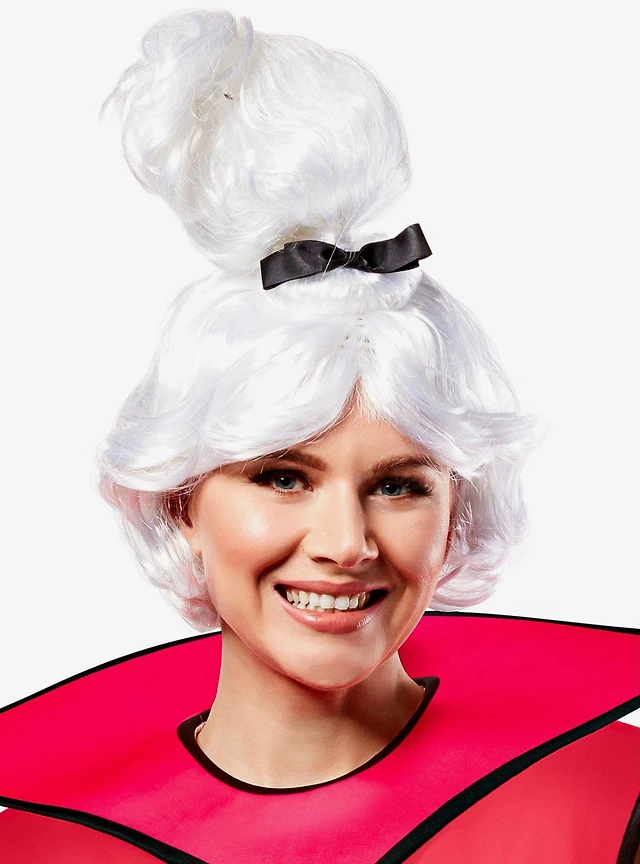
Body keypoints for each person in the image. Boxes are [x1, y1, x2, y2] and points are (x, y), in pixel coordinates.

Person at [0, 9, 638, 863]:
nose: (346, 544)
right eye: (283, 477)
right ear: (181, 503)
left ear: (457, 509)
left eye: (398, 485)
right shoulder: (42, 846)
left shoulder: (604, 805)